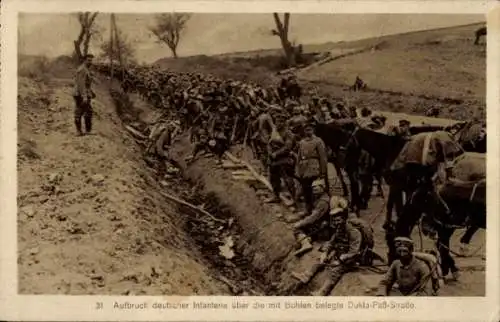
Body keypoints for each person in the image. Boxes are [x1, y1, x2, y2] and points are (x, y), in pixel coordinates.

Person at [295, 122, 329, 214]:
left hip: (315, 167)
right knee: (306, 190)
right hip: (304, 169)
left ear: (313, 130)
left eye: (310, 129)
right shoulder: (302, 142)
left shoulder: (318, 141)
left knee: (316, 190)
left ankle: (317, 210)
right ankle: (308, 209)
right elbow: (299, 157)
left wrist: (323, 171)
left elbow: (323, 157)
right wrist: (298, 170)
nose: (308, 131)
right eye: (306, 130)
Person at [291, 179, 332, 257]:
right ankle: (307, 239)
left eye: (316, 188)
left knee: (296, 228)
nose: (314, 190)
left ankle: (306, 244)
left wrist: (300, 223)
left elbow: (313, 217)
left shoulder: (323, 202)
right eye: (313, 188)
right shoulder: (320, 198)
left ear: (323, 188)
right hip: (322, 226)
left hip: (324, 229)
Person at [266, 113, 297, 204]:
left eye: (281, 122)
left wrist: (276, 153)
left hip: (284, 159)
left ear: (284, 123)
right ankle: (276, 196)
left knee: (288, 180)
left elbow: (287, 147)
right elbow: (269, 143)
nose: (279, 123)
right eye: (277, 121)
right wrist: (270, 153)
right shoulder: (274, 131)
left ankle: (294, 199)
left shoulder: (288, 133)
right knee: (273, 178)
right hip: (273, 159)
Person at [73, 54, 95, 136]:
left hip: (83, 93)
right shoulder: (82, 69)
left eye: (91, 60)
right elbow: (80, 84)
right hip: (80, 94)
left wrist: (91, 92)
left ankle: (84, 131)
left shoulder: (86, 69)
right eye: (89, 60)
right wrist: (84, 96)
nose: (90, 62)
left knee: (87, 111)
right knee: (81, 111)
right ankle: (80, 131)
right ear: (84, 60)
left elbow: (86, 83)